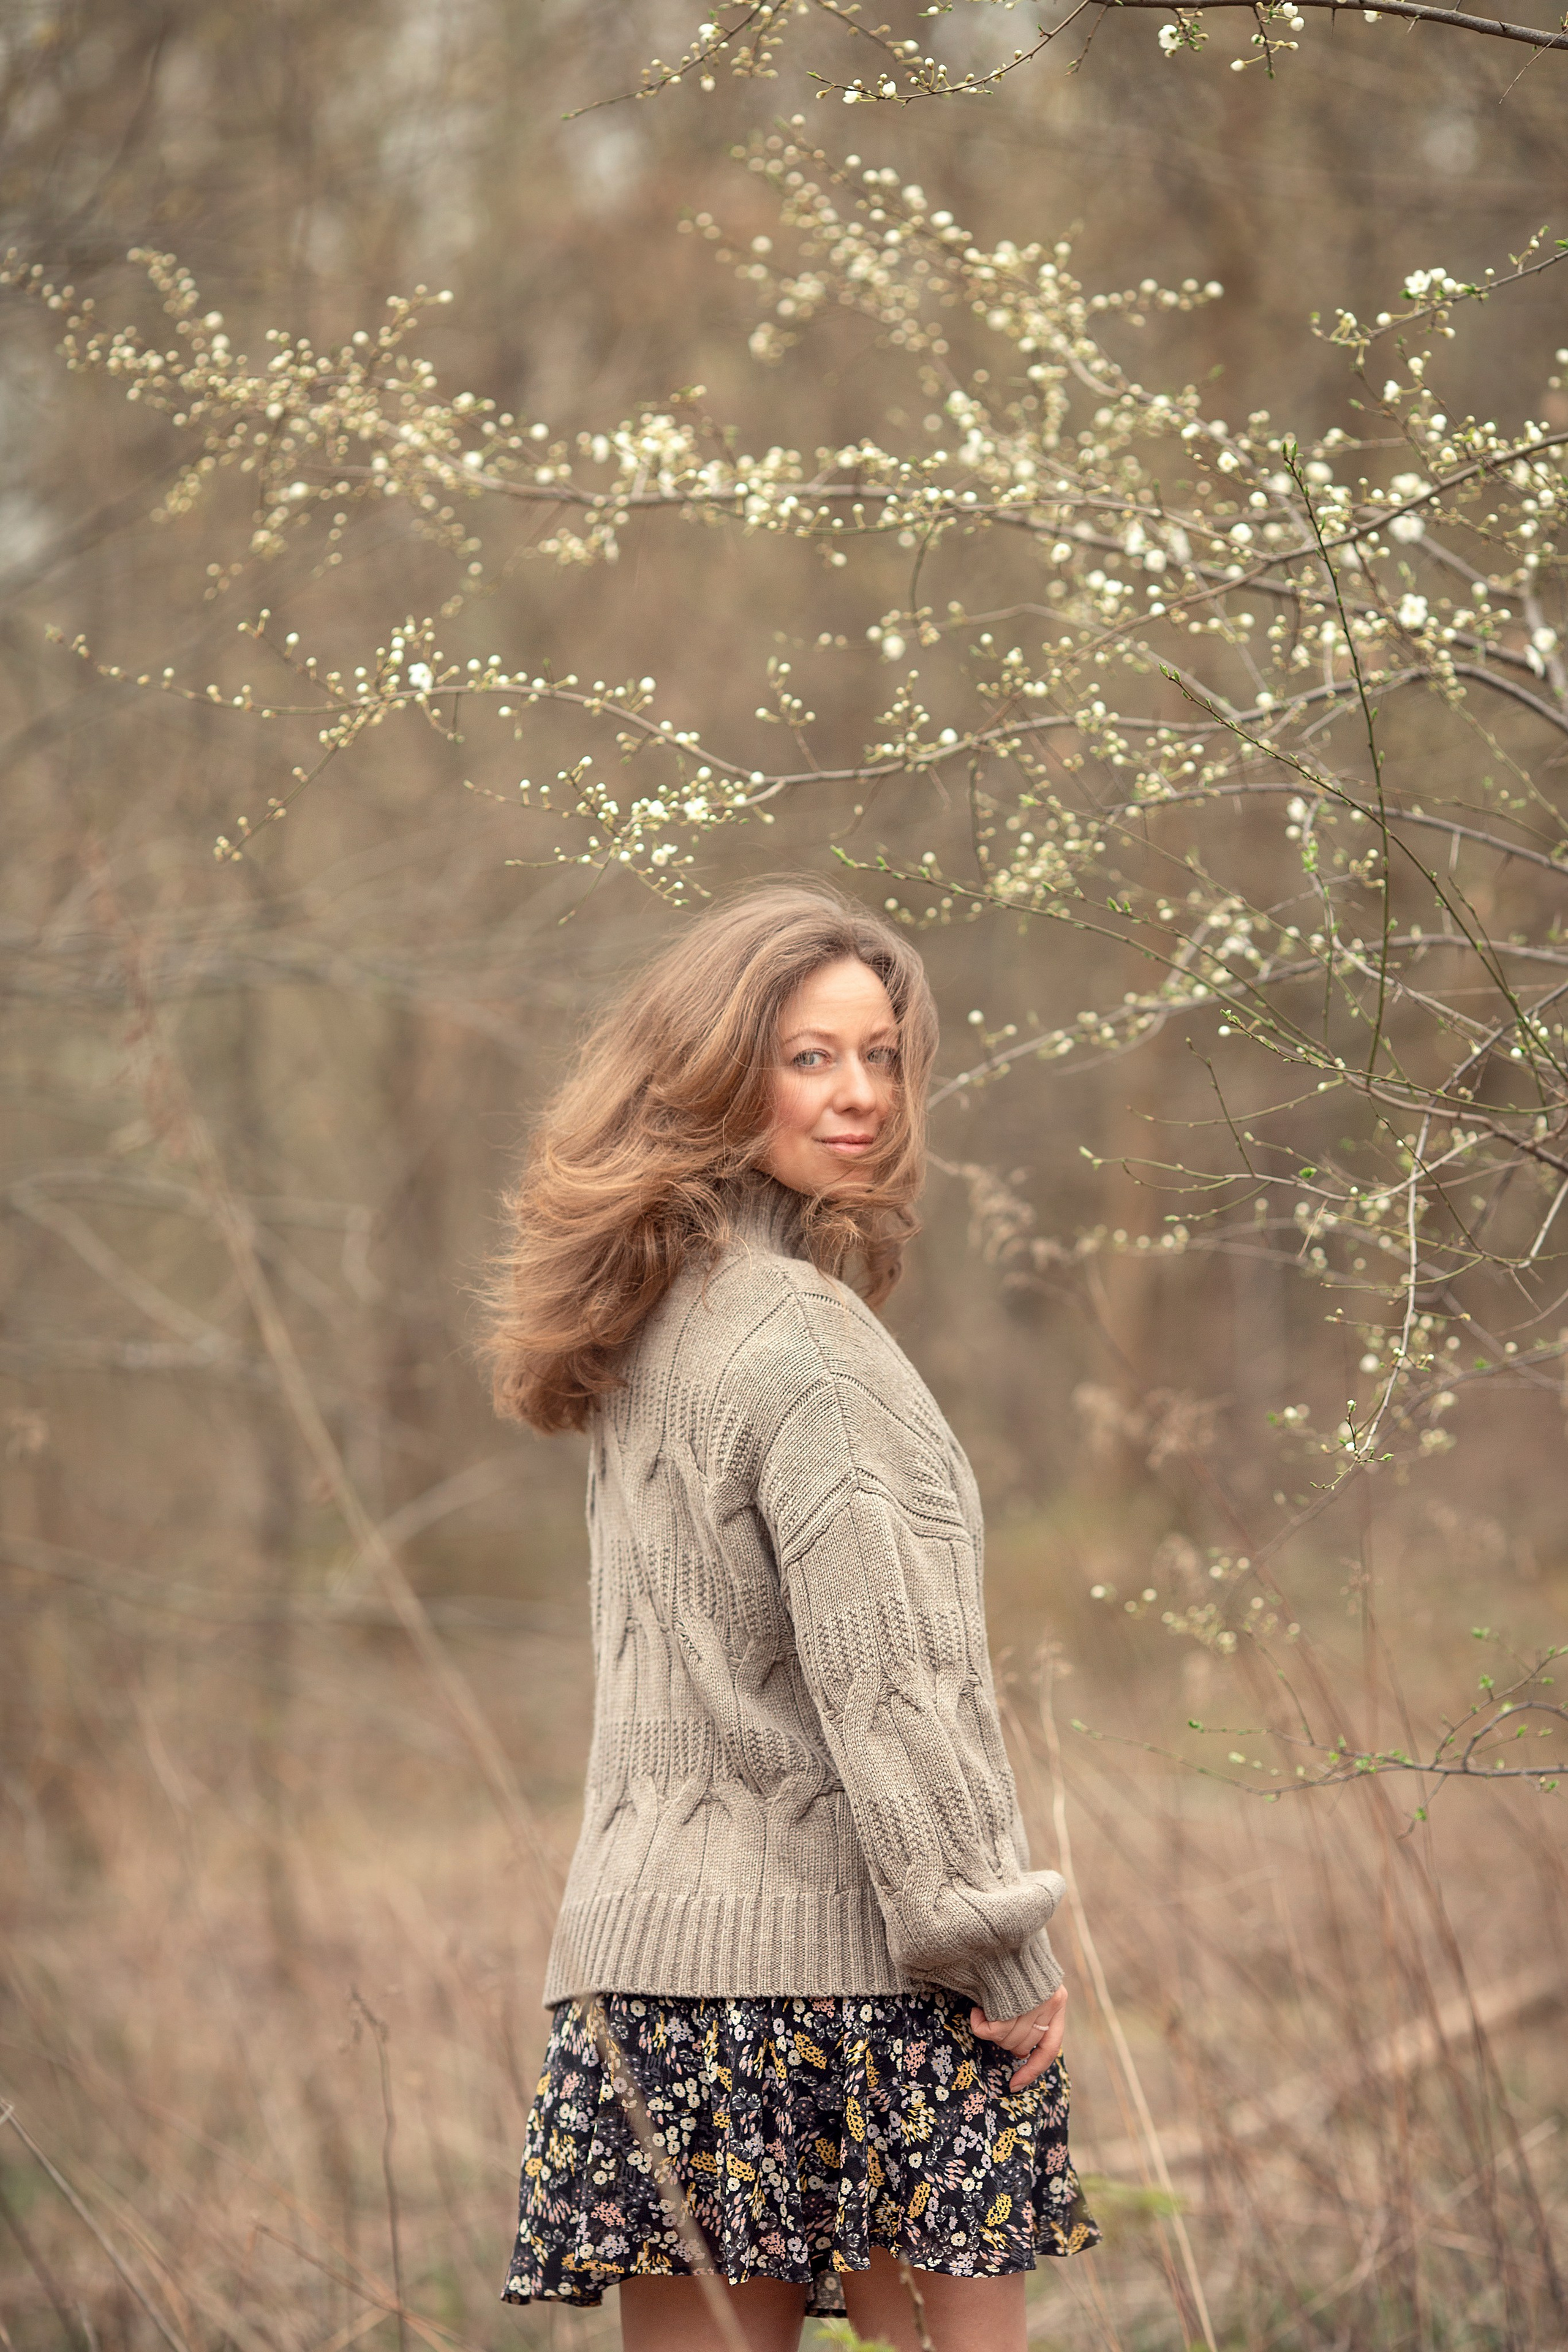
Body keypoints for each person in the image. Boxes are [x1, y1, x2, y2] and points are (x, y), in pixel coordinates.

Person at [489, 883, 1098, 2352]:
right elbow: (885, 1688)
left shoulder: (645, 1326)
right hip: (855, 1980)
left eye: (880, 1057)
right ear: (712, 1070)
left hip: (646, 1991)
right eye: (810, 1056)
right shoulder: (805, 1341)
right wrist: (998, 1955)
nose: (861, 1097)